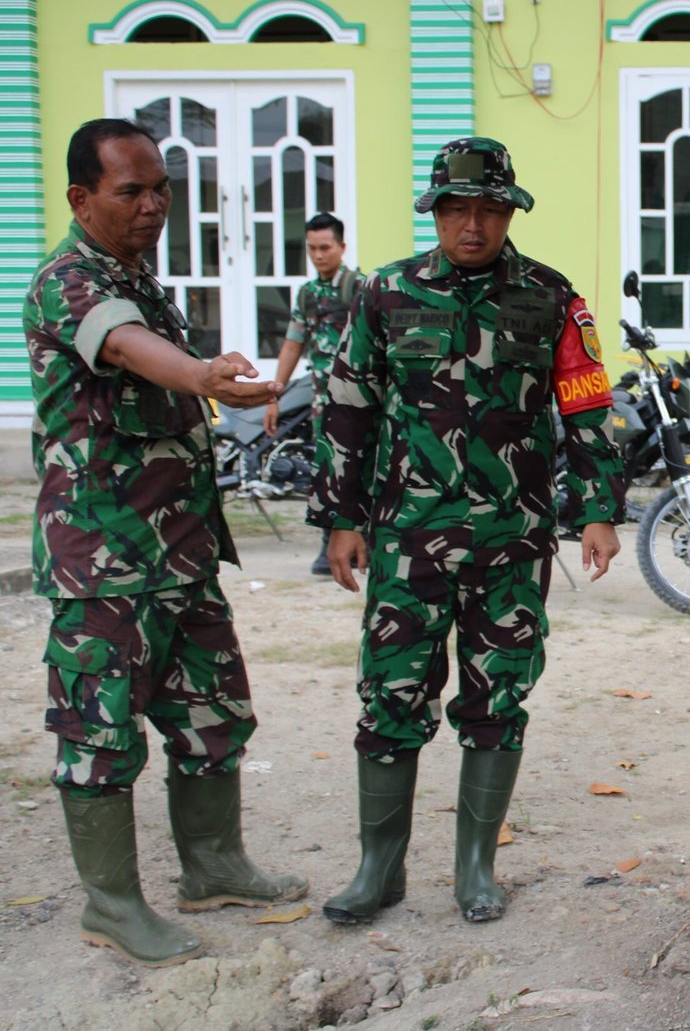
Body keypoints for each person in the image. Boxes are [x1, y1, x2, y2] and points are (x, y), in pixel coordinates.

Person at [308, 137, 626, 925]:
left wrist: (597, 509)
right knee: (391, 698)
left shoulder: (551, 299)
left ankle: (475, 870)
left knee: (498, 698)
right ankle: (377, 872)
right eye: (457, 209)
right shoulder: (383, 294)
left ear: (508, 211)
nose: (473, 225)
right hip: (406, 542)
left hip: (511, 541)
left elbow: (585, 408)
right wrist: (340, 519)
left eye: (488, 209)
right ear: (436, 212)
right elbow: (344, 410)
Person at [23, 119, 307, 967]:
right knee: (101, 736)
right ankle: (112, 905)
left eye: (161, 190)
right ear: (81, 198)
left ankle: (213, 865)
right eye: (130, 192)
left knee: (213, 715)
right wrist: (203, 375)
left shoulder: (142, 278)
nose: (153, 207)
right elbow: (123, 348)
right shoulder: (68, 279)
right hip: (104, 559)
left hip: (179, 548)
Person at [263, 211, 363, 576]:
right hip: (323, 402)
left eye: (325, 248)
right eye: (312, 249)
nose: (319, 255)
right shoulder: (307, 294)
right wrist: (275, 394)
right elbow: (292, 344)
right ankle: (328, 545)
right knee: (326, 470)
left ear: (342, 247)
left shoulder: (358, 289)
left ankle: (361, 542)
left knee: (361, 466)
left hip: (359, 399)